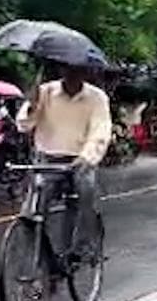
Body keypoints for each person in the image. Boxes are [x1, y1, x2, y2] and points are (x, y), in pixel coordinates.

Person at [18, 64, 112, 256]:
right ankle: (34, 249)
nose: (72, 75)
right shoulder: (45, 92)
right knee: (33, 205)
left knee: (86, 191)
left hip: (79, 160)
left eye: (77, 71)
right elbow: (24, 125)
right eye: (68, 70)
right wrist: (31, 106)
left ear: (85, 73)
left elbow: (100, 131)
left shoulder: (97, 98)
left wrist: (87, 157)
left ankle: (83, 244)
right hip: (47, 159)